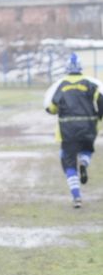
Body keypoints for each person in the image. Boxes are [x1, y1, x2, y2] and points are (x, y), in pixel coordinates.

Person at [44, 53, 103, 208]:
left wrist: (51, 110)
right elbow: (101, 100)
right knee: (87, 149)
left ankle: (77, 197)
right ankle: (84, 162)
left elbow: (52, 108)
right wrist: (99, 116)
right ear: (81, 68)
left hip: (68, 130)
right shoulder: (90, 84)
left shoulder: (62, 85)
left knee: (68, 162)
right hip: (88, 127)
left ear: (67, 68)